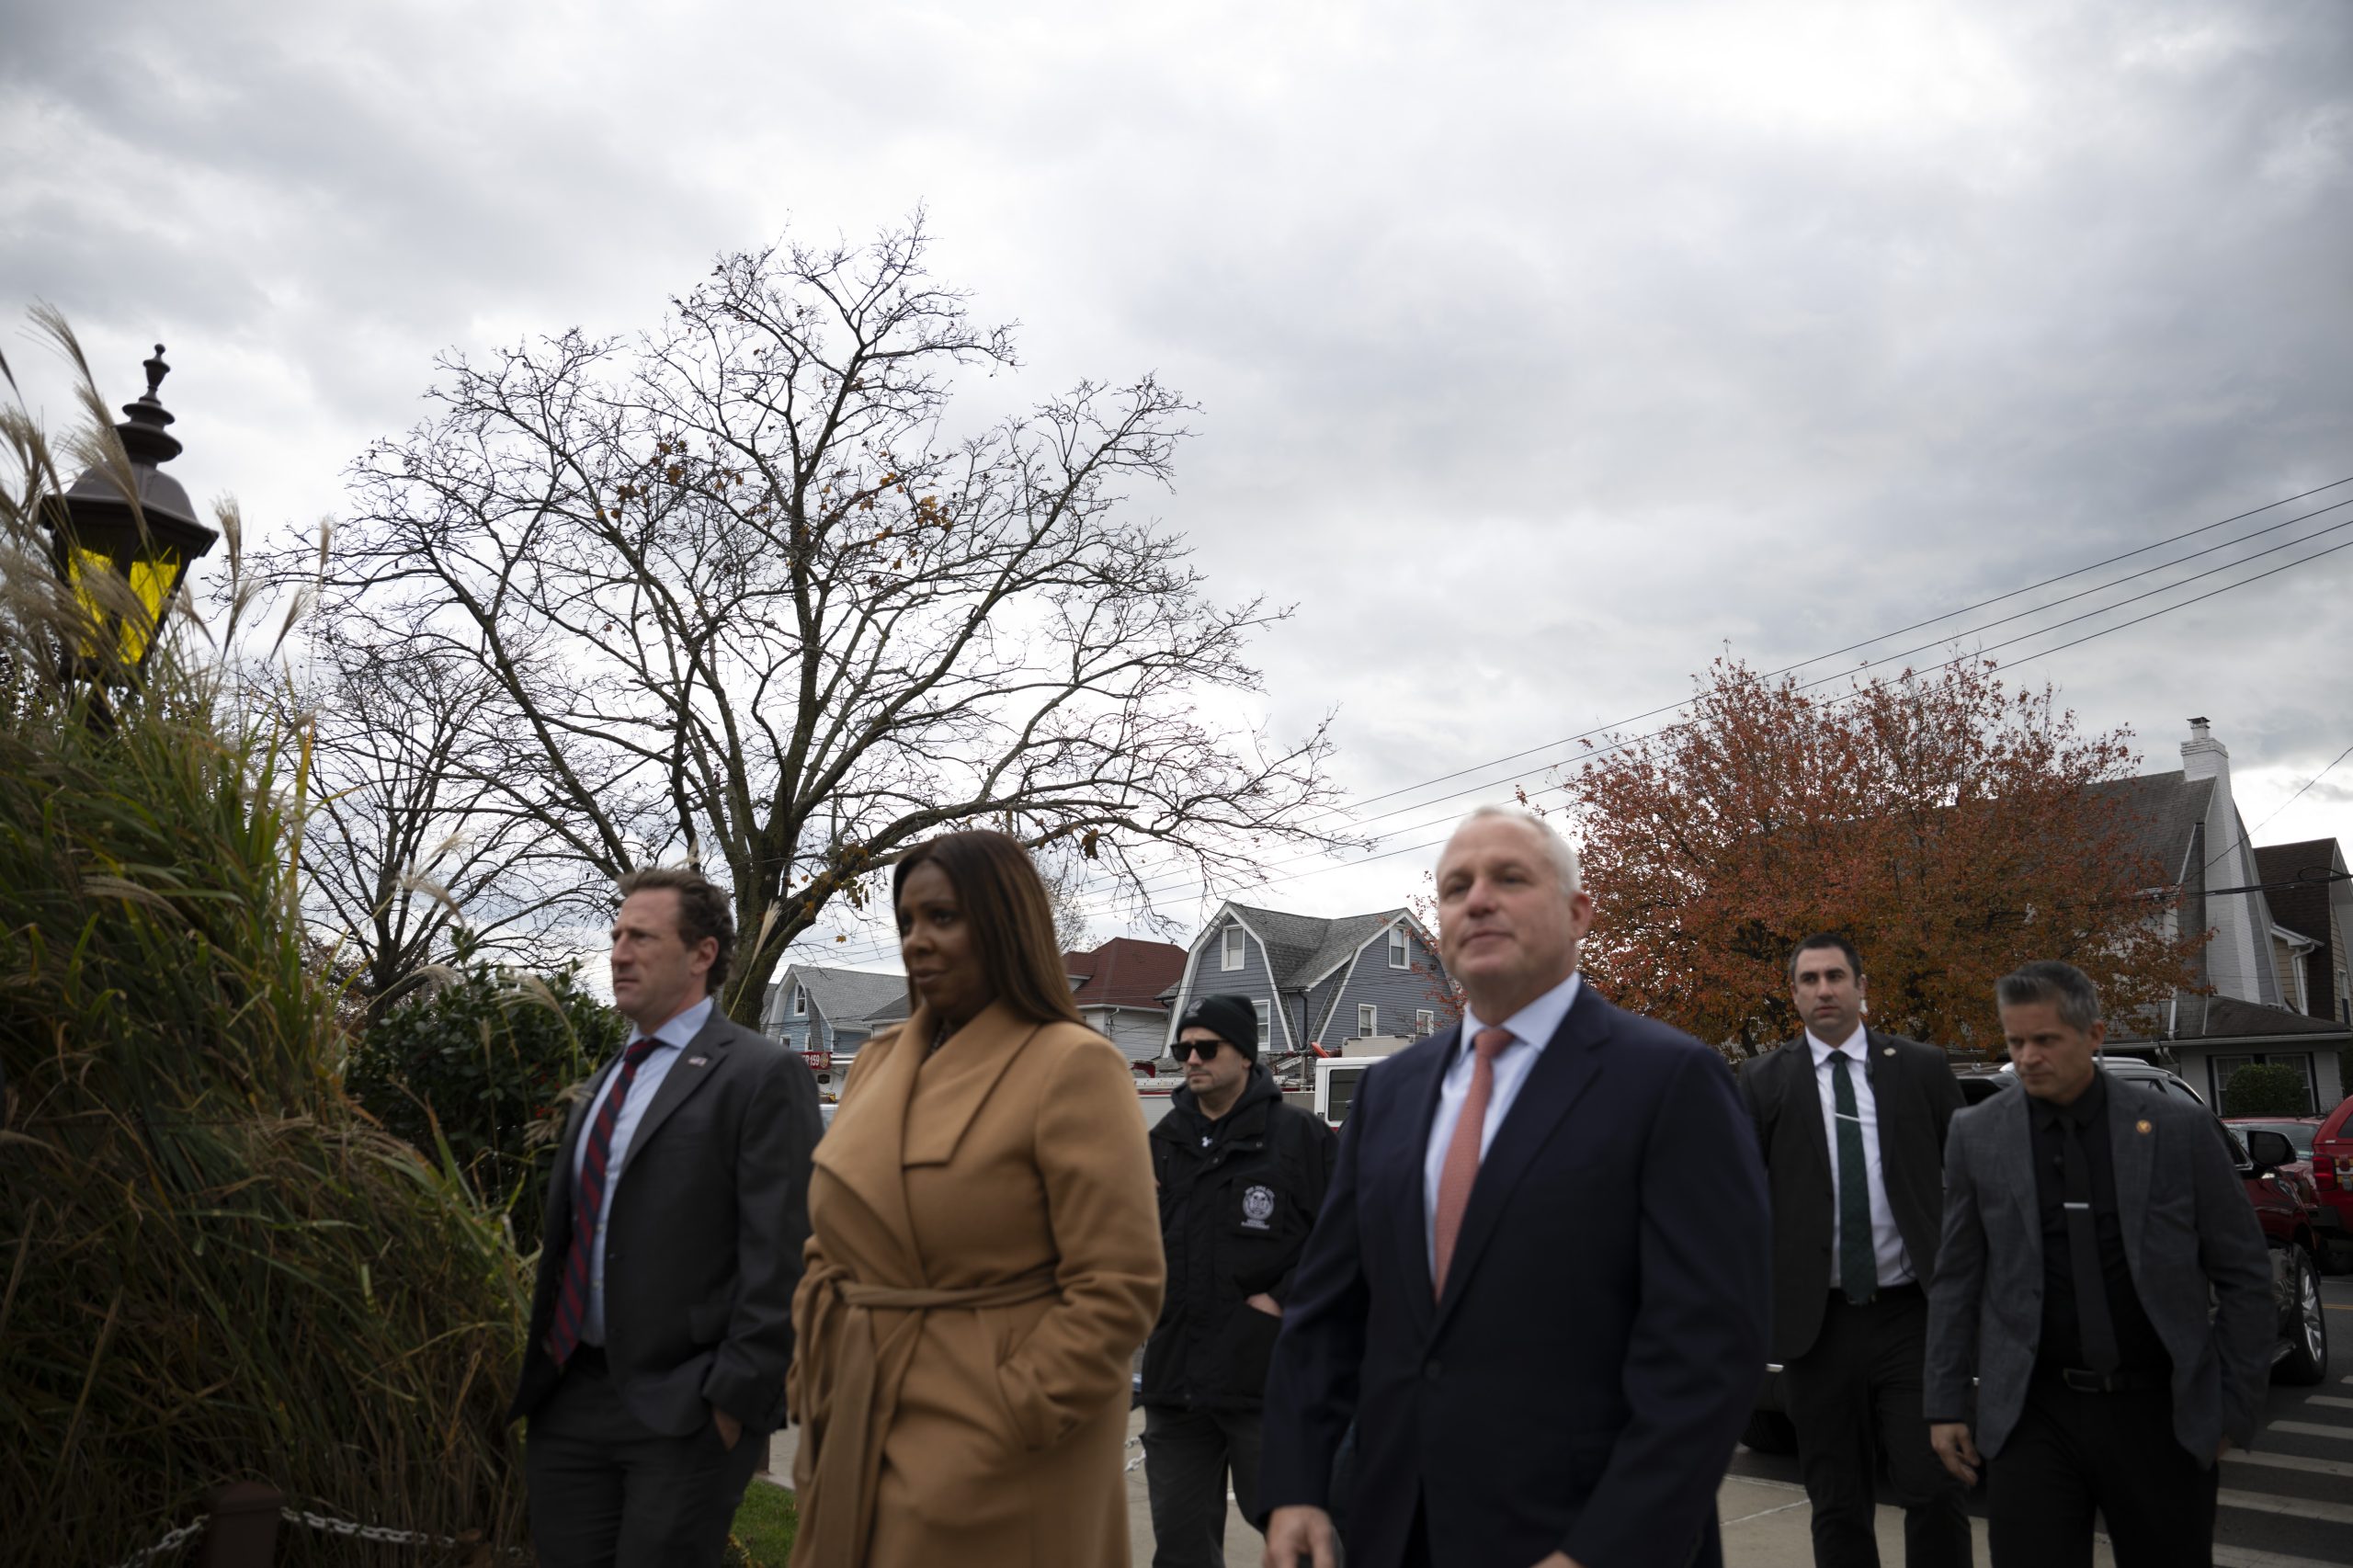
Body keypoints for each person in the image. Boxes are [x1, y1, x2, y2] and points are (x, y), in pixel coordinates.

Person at [1259, 803, 1770, 1568]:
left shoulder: (1670, 1081)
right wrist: (1297, 1484)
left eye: (1509, 877)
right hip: (1394, 1529)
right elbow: (1330, 1311)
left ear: (1577, 912)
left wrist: (1603, 1551)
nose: (1478, 899)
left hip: (1580, 1533)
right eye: (1455, 886)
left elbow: (1710, 1351)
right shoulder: (1391, 1093)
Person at [787, 830, 1164, 1568]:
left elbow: (1120, 1286)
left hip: (994, 1454)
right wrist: (814, 1367)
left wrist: (1007, 1414)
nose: (918, 941)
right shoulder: (875, 1061)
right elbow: (834, 1237)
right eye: (905, 923)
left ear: (1004, 921)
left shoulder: (1072, 1065)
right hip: (857, 1414)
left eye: (943, 918)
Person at [510, 867, 824, 1568]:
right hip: (570, 1402)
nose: (619, 952)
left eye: (642, 937)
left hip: (686, 1413)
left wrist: (730, 1402)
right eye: (617, 935)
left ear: (701, 954)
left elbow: (785, 1253)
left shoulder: (759, 1076)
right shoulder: (604, 1082)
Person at [1925, 961, 2274, 1566]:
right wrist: (1945, 1403)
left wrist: (2232, 1405)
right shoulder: (1977, 1134)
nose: (2027, 1056)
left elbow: (2244, 1275)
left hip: (2159, 1413)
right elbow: (1957, 1278)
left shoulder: (2176, 1127)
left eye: (2045, 1040)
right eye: (2015, 1041)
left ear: (2093, 1035)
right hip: (2033, 1413)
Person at [1741, 935, 1971, 1568]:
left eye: (1836, 976)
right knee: (1837, 1501)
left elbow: (1968, 1179)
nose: (1824, 990)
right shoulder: (1763, 1080)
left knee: (1931, 1485)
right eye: (1809, 980)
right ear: (1794, 995)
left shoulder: (1920, 1067)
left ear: (1862, 987)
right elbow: (1737, 1196)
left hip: (1911, 1316)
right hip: (1818, 1326)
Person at [1141, 992, 1338, 1568]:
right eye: (1184, 1049)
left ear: (1246, 1054)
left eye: (1207, 1047)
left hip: (1267, 1383)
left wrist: (1281, 1301)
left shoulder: (1299, 1139)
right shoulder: (1161, 1146)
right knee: (1180, 1550)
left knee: (1299, 1545)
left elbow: (1346, 1242)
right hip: (1175, 1386)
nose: (1192, 1059)